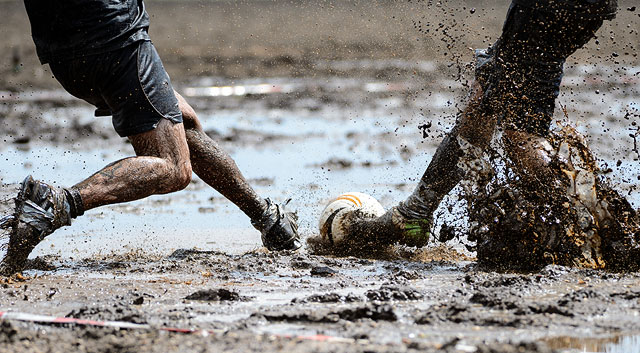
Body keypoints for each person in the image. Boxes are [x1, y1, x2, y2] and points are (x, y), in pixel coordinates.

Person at [1, 0, 301, 275]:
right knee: (172, 167)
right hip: (116, 40)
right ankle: (55, 204)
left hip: (64, 54)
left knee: (181, 123)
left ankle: (269, 220)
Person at [344, 0, 619, 248]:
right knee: (487, 90)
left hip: (547, 8)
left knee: (520, 133)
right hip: (576, 8)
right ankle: (415, 213)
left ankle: (583, 229)